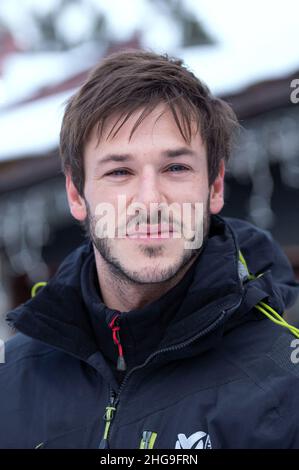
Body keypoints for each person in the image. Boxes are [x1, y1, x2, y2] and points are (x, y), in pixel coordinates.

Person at [1, 50, 299, 450]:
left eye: (176, 168)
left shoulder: (286, 376)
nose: (150, 200)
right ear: (76, 194)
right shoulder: (12, 379)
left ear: (214, 186)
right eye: (119, 172)